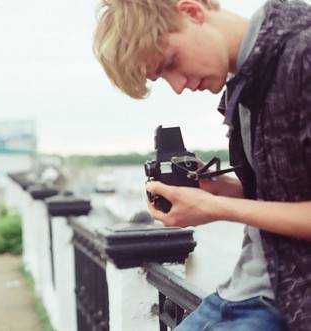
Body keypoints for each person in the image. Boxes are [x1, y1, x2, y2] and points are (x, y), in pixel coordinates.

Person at [93, 0, 311, 330]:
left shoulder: (303, 54)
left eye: (170, 63)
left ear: (193, 12)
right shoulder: (251, 77)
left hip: (291, 303)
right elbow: (288, 199)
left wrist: (215, 206)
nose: (178, 86)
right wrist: (226, 190)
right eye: (162, 77)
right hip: (245, 291)